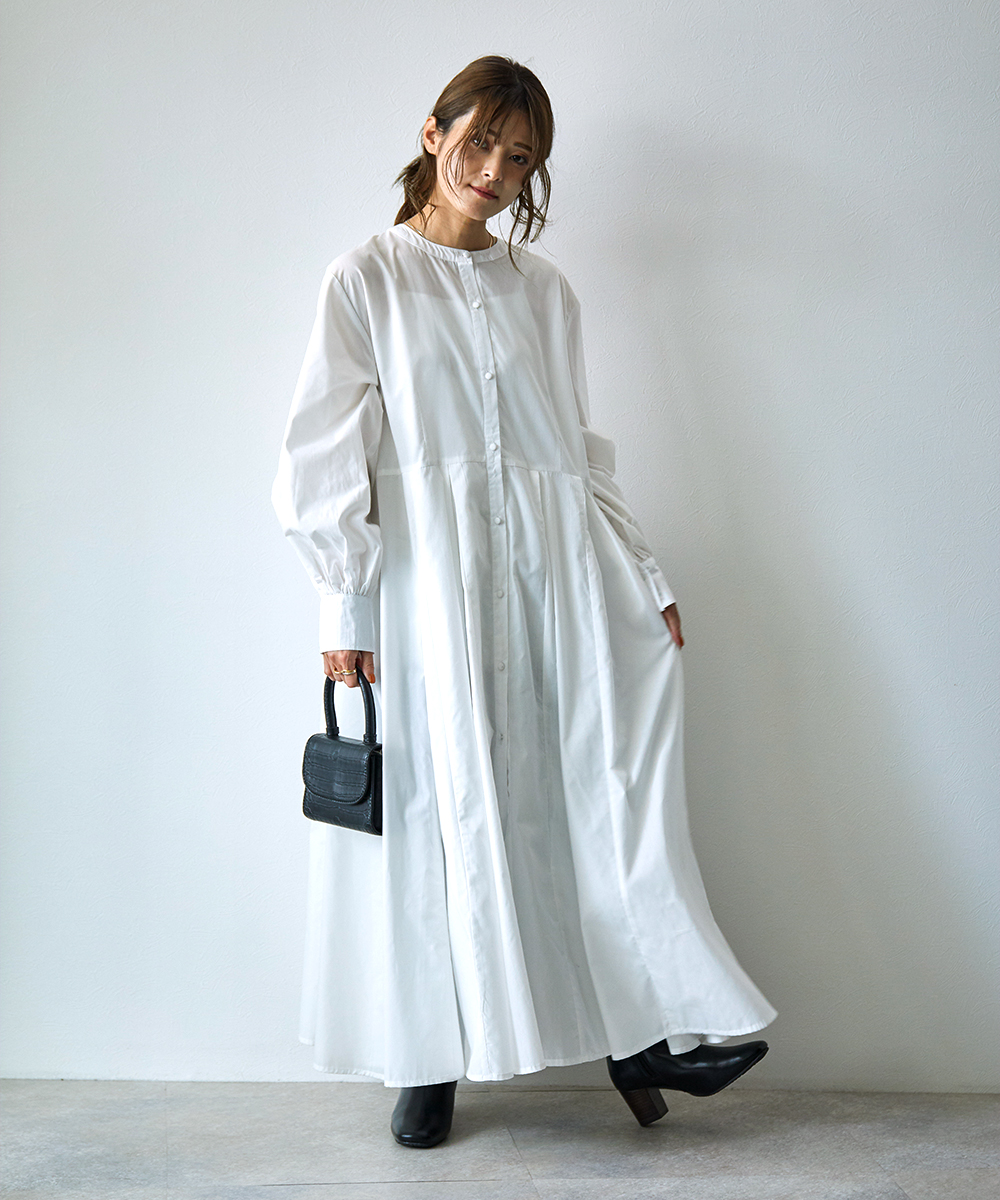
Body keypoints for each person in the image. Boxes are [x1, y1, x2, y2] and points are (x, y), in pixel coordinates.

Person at [271, 55, 777, 1149]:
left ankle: (643, 1033)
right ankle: (428, 1061)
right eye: (480, 143)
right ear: (434, 131)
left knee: (588, 796)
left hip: (555, 579)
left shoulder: (546, 293)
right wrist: (342, 613)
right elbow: (323, 457)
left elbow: (579, 454)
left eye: (520, 158)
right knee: (437, 814)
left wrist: (643, 577)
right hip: (428, 591)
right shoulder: (365, 281)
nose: (495, 172)